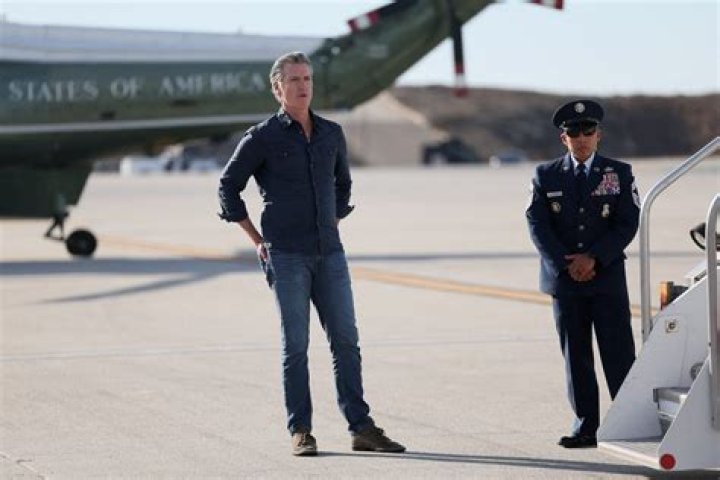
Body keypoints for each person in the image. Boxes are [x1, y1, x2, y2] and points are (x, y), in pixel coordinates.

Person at [217, 52, 405, 457]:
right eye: (294, 80)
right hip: (286, 256)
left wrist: (332, 221)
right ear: (277, 88)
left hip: (330, 254)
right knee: (296, 347)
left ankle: (361, 428)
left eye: (307, 79)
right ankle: (301, 430)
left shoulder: (331, 134)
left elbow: (343, 184)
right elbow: (228, 186)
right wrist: (256, 239)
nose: (303, 86)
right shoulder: (262, 137)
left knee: (347, 342)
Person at [525, 100, 640, 448]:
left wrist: (594, 258)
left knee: (618, 353)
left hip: (606, 278)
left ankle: (628, 423)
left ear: (598, 135)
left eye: (588, 131)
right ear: (564, 139)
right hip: (565, 281)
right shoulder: (545, 175)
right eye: (574, 132)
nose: (582, 138)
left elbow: (627, 223)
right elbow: (537, 224)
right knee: (576, 356)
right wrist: (566, 264)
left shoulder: (618, 173)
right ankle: (586, 426)